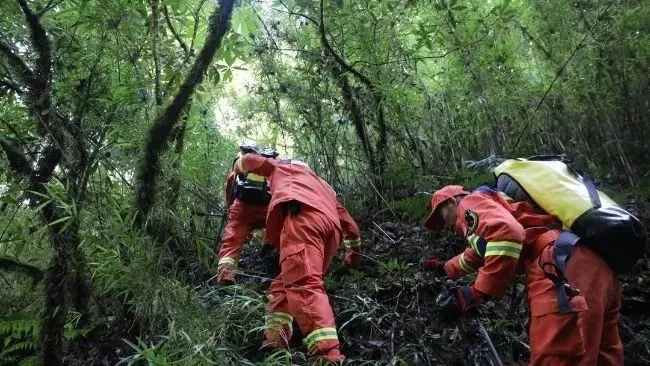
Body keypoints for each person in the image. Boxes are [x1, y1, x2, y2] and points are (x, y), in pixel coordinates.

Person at [422, 185, 623, 366]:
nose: (444, 224)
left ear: (451, 201)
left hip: (557, 268)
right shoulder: (491, 207)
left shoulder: (468, 203)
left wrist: (478, 291)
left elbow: (507, 233)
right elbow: (478, 253)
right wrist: (444, 268)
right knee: (602, 356)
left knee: (558, 356)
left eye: (441, 215)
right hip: (588, 263)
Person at [234, 153, 361, 362]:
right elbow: (351, 227)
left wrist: (237, 168)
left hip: (303, 221)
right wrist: (352, 257)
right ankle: (275, 342)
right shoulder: (323, 187)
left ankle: (327, 355)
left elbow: (251, 161)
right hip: (330, 235)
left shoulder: (285, 168)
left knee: (304, 286)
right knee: (283, 285)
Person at [215, 156, 271, 284]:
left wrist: (230, 212)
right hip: (267, 211)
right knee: (273, 238)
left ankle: (225, 277)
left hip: (242, 210)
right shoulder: (268, 176)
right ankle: (271, 269)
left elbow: (229, 195)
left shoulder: (234, 175)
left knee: (232, 243)